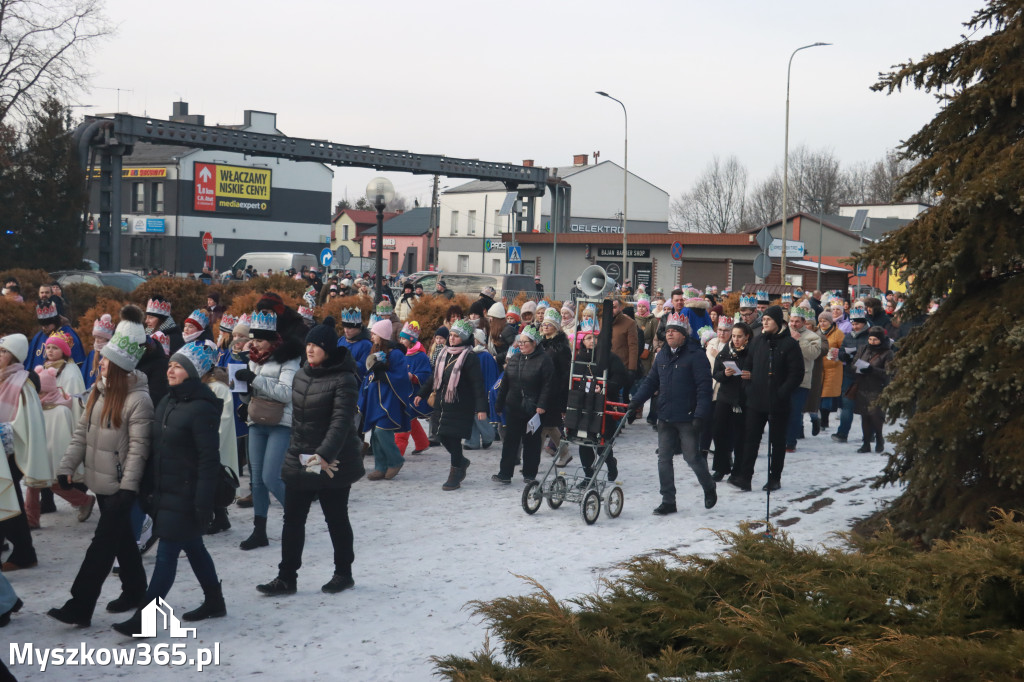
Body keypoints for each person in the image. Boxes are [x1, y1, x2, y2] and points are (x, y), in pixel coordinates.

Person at [48, 306, 154, 626]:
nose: (100, 361)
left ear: (120, 365)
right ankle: (135, 590)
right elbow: (82, 432)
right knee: (121, 541)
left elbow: (139, 450)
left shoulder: (138, 400)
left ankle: (80, 605)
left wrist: (128, 489)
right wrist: (67, 466)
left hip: (121, 487)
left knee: (101, 546)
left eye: (106, 358)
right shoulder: (99, 389)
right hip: (101, 481)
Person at [112, 341, 226, 635]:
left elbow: (209, 460)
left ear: (192, 372)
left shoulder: (202, 408)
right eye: (170, 365)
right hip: (166, 491)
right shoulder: (167, 401)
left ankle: (144, 619)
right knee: (194, 547)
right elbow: (157, 450)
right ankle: (215, 600)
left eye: (178, 366)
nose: (171, 370)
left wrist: (203, 503)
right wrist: (147, 488)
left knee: (166, 556)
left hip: (187, 495)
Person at [256, 317, 364, 596]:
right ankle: (286, 578)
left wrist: (324, 455)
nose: (310, 349)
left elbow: (341, 422)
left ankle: (343, 573)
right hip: (302, 458)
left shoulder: (344, 379)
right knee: (293, 519)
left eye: (317, 345)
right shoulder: (302, 375)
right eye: (308, 344)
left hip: (331, 462)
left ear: (328, 349)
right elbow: (298, 420)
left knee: (335, 518)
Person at [629, 313, 715, 515]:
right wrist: (636, 401)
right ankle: (668, 500)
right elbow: (651, 381)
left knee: (692, 457)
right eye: (668, 331)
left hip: (688, 416)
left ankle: (709, 486)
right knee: (664, 459)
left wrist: (700, 415)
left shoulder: (696, 355)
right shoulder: (662, 355)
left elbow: (704, 388)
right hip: (665, 415)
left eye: (674, 331)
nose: (669, 334)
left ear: (684, 335)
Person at [233, 309, 301, 551]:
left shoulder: (289, 359)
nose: (254, 344)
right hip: (257, 421)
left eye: (260, 340)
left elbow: (285, 393)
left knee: (271, 477)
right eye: (253, 339)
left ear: (272, 340)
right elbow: (251, 392)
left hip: (280, 422)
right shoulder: (253, 357)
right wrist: (243, 389)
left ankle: (296, 518)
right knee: (257, 481)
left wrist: (254, 380)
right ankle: (259, 531)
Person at [728, 306, 804, 493]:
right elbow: (748, 367)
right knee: (751, 440)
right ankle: (745, 478)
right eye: (763, 320)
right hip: (756, 400)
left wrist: (781, 393)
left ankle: (774, 478)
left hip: (778, 402)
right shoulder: (758, 341)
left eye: (768, 319)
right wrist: (749, 388)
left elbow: (796, 374)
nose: (765, 322)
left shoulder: (789, 344)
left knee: (777, 442)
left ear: (778, 321)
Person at [413, 320, 487, 490]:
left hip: (460, 405)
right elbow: (433, 377)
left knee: (453, 438)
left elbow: (477, 384)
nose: (452, 339)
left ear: (464, 338)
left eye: (456, 336)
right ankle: (462, 462)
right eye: (451, 335)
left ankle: (455, 473)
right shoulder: (444, 353)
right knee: (441, 435)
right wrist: (421, 394)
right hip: (441, 403)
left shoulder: (469, 357)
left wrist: (481, 408)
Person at [0, 334, 46, 571]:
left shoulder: (22, 383)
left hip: (12, 452)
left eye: (3, 352)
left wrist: (4, 431)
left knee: (8, 498)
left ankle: (25, 552)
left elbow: (28, 421)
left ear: (14, 356)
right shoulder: (3, 378)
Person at [492, 326, 553, 485]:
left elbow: (548, 385)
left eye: (525, 342)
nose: (521, 345)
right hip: (514, 406)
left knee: (531, 442)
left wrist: (542, 404)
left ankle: (529, 474)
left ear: (534, 343)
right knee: (510, 441)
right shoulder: (515, 359)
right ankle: (505, 473)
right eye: (520, 342)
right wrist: (499, 404)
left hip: (533, 409)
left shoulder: (544, 360)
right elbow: (505, 383)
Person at [359, 318, 413, 481]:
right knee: (375, 434)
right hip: (375, 400)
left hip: (390, 400)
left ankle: (396, 460)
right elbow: (369, 374)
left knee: (382, 432)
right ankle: (380, 467)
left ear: (382, 335)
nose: (371, 337)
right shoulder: (374, 350)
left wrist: (384, 374)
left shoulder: (395, 354)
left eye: (374, 334)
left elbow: (402, 377)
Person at [572, 325, 626, 482]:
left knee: (602, 441)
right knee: (584, 442)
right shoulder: (579, 359)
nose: (592, 341)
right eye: (588, 338)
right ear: (582, 341)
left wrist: (604, 387)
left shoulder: (610, 358)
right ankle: (588, 477)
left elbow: (620, 378)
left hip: (604, 405)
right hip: (583, 406)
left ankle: (610, 463)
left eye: (595, 337)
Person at [200, 343, 238, 535]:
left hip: (215, 442)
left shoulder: (218, 388)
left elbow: (223, 418)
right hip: (205, 441)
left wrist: (210, 441)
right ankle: (219, 516)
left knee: (216, 478)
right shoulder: (201, 385)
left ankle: (214, 516)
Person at [710, 321, 752, 482]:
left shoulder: (752, 352)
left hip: (743, 398)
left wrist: (751, 375)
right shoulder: (726, 351)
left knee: (740, 435)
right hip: (725, 396)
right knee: (719, 431)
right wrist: (725, 374)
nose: (736, 339)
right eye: (733, 336)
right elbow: (716, 373)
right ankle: (721, 467)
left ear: (747, 337)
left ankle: (738, 469)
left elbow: (761, 371)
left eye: (739, 336)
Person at [785, 307, 824, 452]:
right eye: (792, 321)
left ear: (803, 322)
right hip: (783, 379)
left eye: (797, 321)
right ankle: (781, 439)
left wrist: (799, 339)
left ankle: (790, 442)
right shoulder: (784, 333)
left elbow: (813, 354)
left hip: (801, 380)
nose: (793, 324)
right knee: (782, 412)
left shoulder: (812, 336)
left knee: (795, 412)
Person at [850, 327, 894, 453]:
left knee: (876, 416)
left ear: (881, 339)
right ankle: (866, 443)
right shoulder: (863, 349)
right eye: (870, 339)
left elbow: (889, 372)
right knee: (865, 416)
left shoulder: (888, 353)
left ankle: (879, 438)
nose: (872, 342)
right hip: (862, 386)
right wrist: (858, 368)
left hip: (878, 388)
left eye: (875, 340)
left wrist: (872, 370)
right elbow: (853, 364)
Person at [832, 308, 871, 444]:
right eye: (853, 324)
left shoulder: (870, 336)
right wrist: (844, 355)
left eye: (857, 324)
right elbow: (842, 350)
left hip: (866, 375)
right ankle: (842, 433)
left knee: (866, 406)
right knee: (847, 404)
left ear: (864, 323)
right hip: (849, 373)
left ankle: (869, 434)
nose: (855, 327)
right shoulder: (848, 336)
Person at [395, 321, 432, 456]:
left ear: (411, 340)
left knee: (405, 419)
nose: (400, 341)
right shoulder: (401, 353)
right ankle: (422, 443)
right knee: (411, 419)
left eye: (403, 339)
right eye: (400, 338)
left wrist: (414, 377)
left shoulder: (420, 356)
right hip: (403, 392)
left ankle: (397, 452)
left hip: (415, 394)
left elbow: (427, 375)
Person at [25, 300, 85, 371]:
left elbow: (77, 364)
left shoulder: (68, 336)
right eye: (42, 325)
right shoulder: (38, 337)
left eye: (47, 325)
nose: (44, 328)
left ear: (55, 322)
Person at [465, 328, 499, 451]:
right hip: (471, 389)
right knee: (471, 415)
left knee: (478, 416)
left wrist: (488, 393)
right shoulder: (470, 354)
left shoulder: (486, 356)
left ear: (477, 340)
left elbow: (491, 376)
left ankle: (488, 436)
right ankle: (472, 441)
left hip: (481, 390)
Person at [817, 311, 844, 430]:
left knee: (827, 394)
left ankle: (824, 420)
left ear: (830, 322)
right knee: (817, 394)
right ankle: (818, 418)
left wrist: (838, 354)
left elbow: (843, 348)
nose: (822, 323)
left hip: (833, 367)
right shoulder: (816, 332)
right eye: (820, 321)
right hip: (818, 367)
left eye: (825, 321)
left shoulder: (838, 333)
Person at [609, 298, 639, 395]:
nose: (611, 310)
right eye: (609, 307)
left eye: (614, 307)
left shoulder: (629, 323)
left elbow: (633, 347)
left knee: (619, 397)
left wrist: (631, 369)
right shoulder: (603, 321)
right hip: (605, 366)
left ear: (620, 308)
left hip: (621, 367)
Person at [338, 307, 373, 384]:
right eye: (345, 327)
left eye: (350, 328)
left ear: (358, 328)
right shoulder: (341, 340)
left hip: (355, 384)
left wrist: (347, 363)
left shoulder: (366, 345)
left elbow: (365, 367)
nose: (346, 330)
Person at [83, 314, 116, 390]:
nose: (97, 340)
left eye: (100, 338)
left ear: (107, 339)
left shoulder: (111, 355)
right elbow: (84, 374)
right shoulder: (92, 354)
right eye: (95, 337)